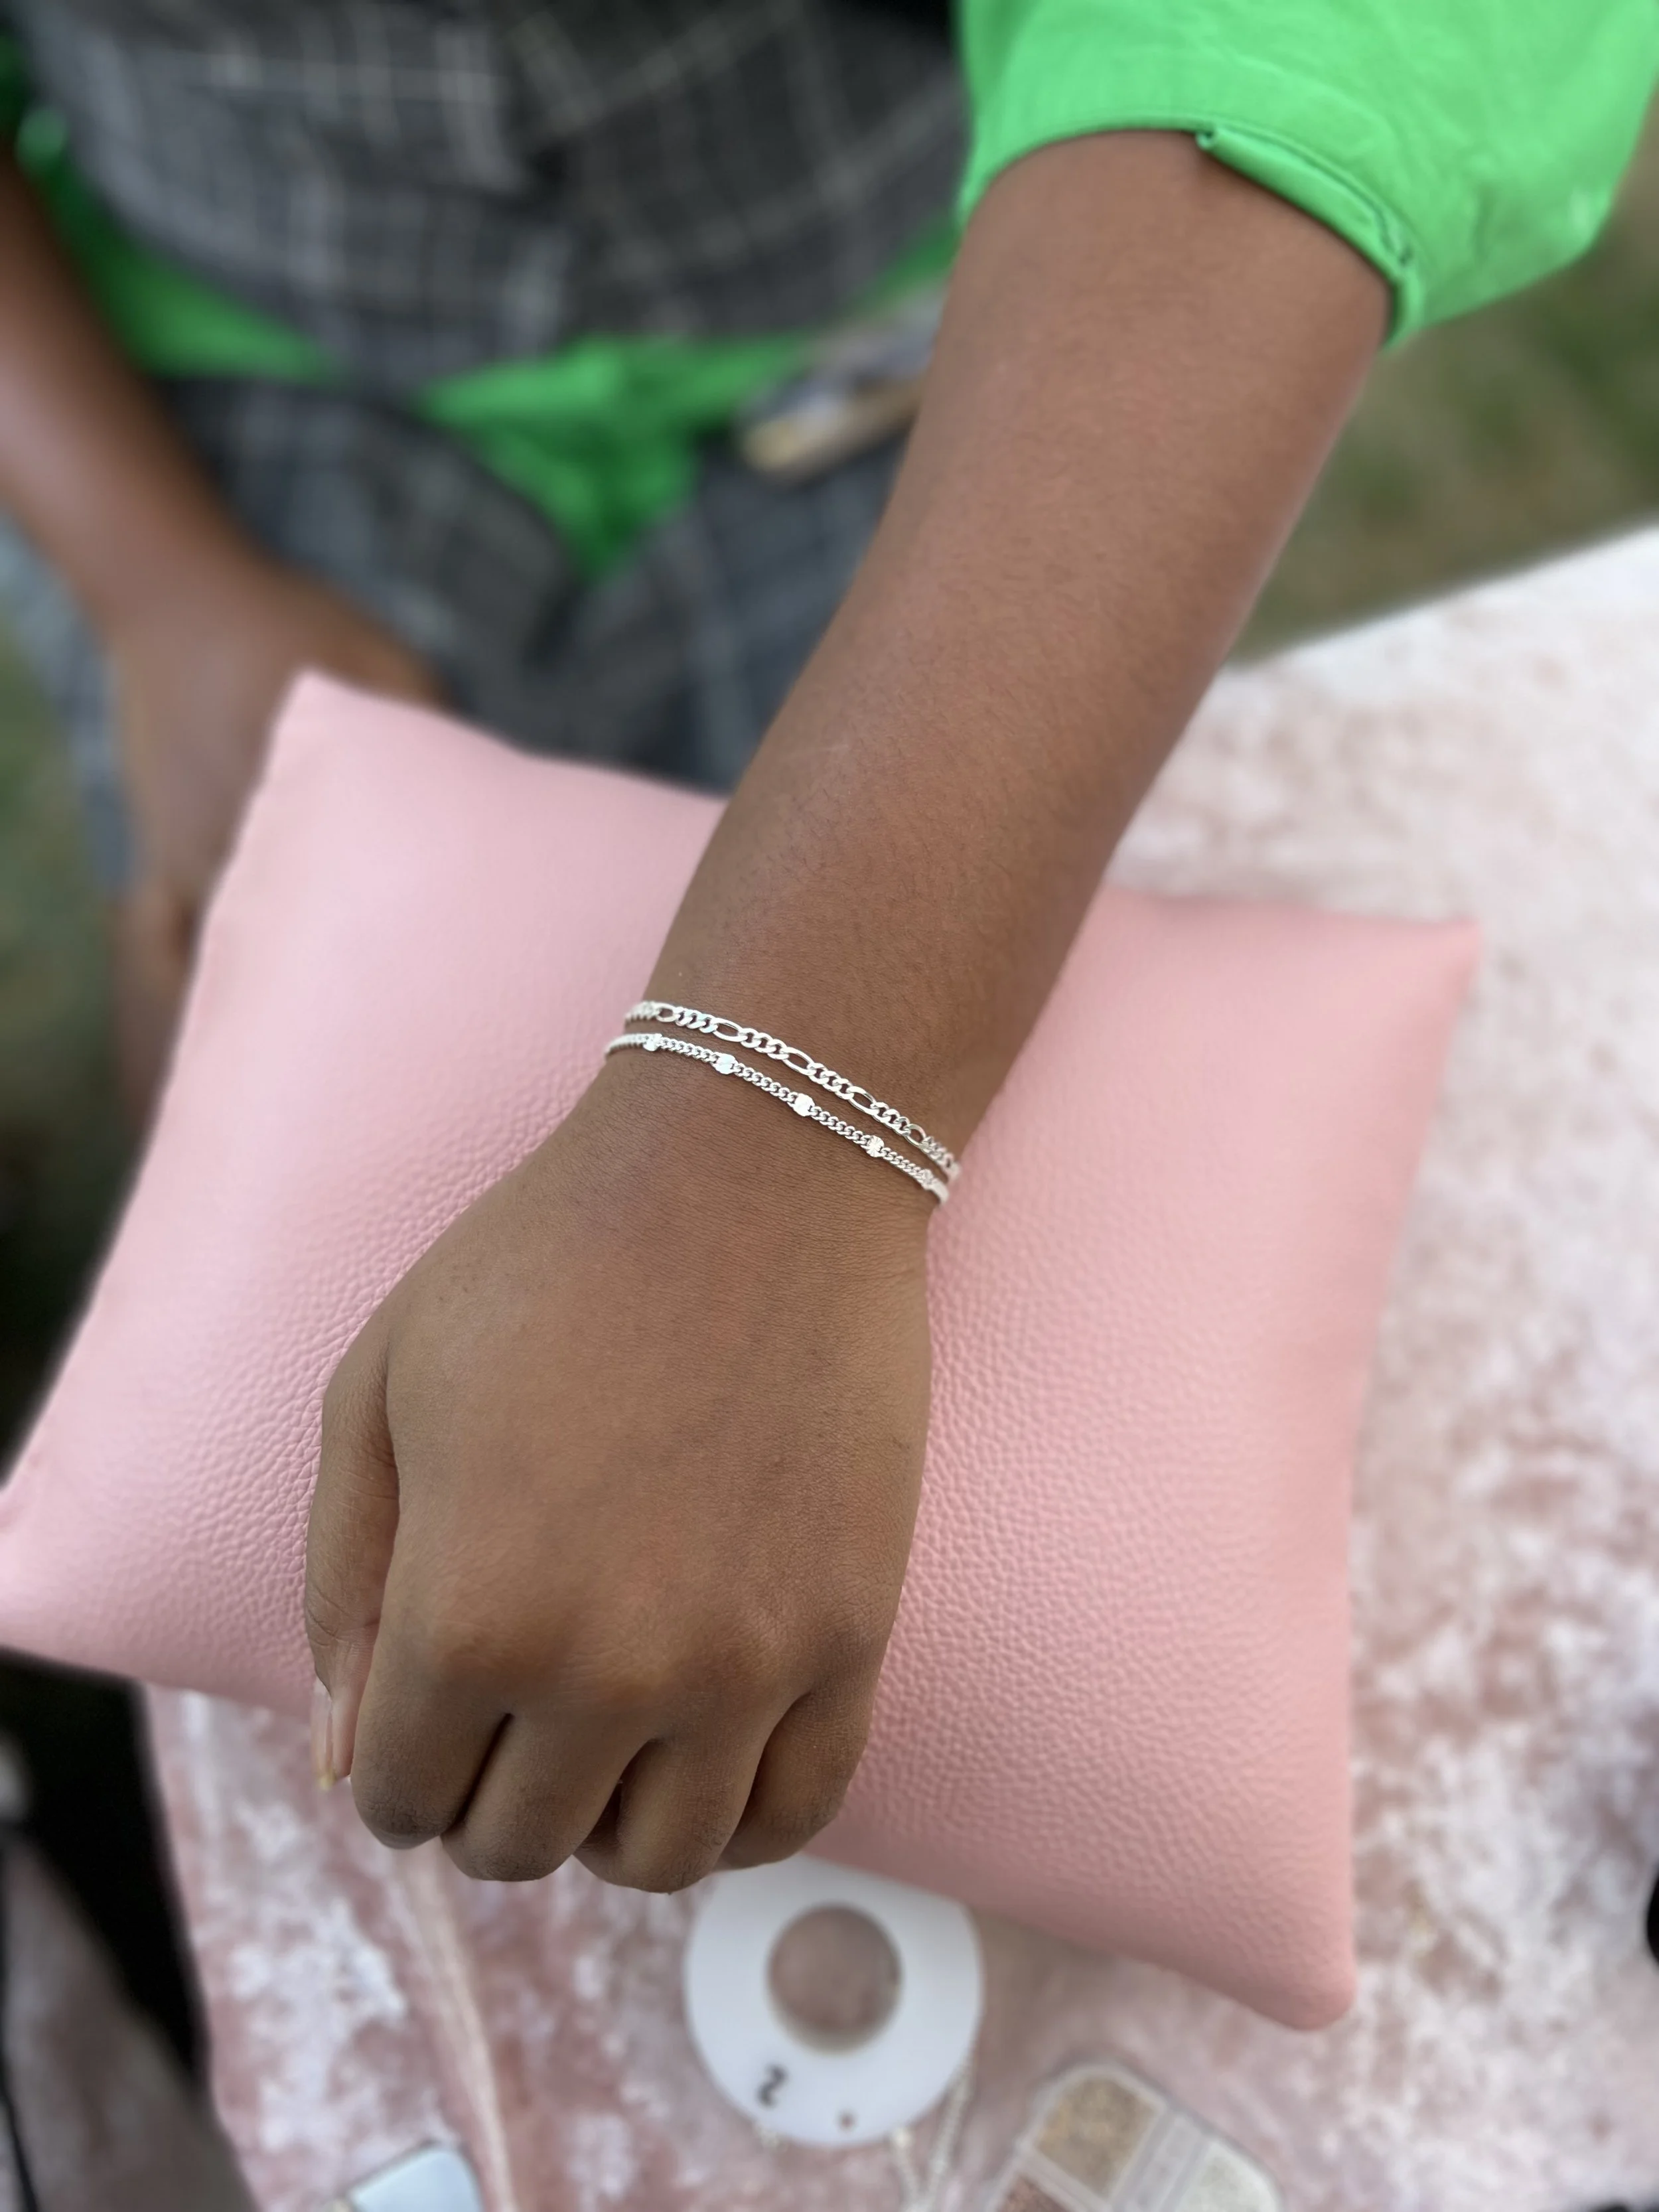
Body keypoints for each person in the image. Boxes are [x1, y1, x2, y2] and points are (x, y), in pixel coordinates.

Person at [0, 2, 1652, 1898]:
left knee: (1045, 1180)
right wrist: (155, 586)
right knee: (248, 1297)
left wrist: (770, 1153)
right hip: (213, 387)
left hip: (969, 314)